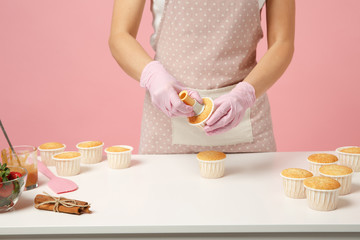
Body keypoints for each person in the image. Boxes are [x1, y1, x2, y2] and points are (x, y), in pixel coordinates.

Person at [109, 0, 295, 154]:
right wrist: (153, 76)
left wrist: (245, 94)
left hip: (247, 123)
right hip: (166, 125)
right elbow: (120, 35)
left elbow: (282, 43)